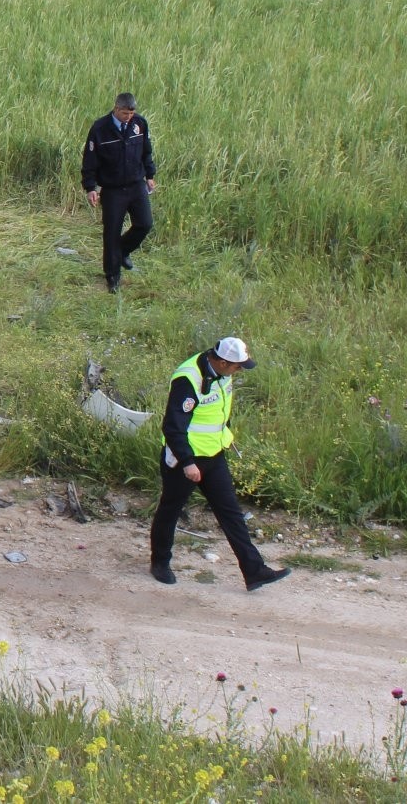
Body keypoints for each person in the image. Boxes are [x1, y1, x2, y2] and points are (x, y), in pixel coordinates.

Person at [149, 337, 291, 592]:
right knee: (170, 510)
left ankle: (254, 571)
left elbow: (219, 411)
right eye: (238, 366)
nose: (240, 371)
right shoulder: (188, 379)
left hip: (214, 456)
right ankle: (160, 563)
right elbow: (173, 426)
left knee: (232, 514)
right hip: (184, 461)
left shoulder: (224, 374)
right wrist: (188, 462)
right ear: (223, 362)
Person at [81, 91, 155, 292]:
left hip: (136, 184)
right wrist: (91, 187)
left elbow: (146, 151)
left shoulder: (140, 124)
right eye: (124, 113)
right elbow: (90, 161)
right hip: (113, 189)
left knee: (145, 223)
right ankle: (112, 277)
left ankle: (122, 251)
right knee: (112, 232)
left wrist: (150, 175)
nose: (128, 117)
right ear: (116, 108)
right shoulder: (100, 129)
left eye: (131, 113)